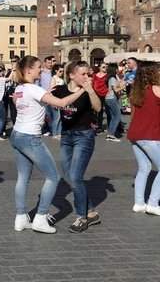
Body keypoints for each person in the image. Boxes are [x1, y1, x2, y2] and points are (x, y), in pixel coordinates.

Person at [10, 56, 85, 234]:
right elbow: (62, 103)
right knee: (52, 177)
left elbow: (30, 103)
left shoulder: (20, 88)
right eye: (38, 68)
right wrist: (83, 90)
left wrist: (46, 92)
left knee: (22, 178)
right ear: (28, 70)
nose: (42, 70)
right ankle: (40, 218)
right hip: (30, 138)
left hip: (17, 134)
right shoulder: (33, 88)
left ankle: (21, 217)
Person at [52, 61, 102, 233]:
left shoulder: (88, 91)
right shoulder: (60, 90)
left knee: (75, 176)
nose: (87, 77)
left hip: (84, 136)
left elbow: (98, 107)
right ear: (72, 75)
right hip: (66, 136)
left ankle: (82, 217)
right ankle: (92, 212)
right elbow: (47, 100)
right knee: (68, 177)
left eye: (88, 74)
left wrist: (91, 91)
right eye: (83, 74)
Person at [127, 61, 160, 216]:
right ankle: (153, 203)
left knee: (144, 169)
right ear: (153, 73)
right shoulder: (156, 89)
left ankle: (139, 203)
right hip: (149, 135)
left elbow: (133, 115)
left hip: (135, 134)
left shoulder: (136, 91)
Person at [105, 63, 127, 142]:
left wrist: (124, 81)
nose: (118, 70)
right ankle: (111, 134)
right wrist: (124, 87)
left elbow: (119, 83)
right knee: (117, 116)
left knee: (113, 117)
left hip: (109, 99)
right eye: (116, 68)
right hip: (111, 99)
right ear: (113, 69)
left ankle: (110, 134)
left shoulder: (112, 78)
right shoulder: (112, 79)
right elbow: (116, 90)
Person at [48, 64, 65, 140]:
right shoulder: (54, 78)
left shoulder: (62, 79)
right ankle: (55, 133)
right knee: (56, 118)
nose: (62, 73)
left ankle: (59, 133)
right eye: (60, 71)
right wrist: (53, 102)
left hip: (61, 100)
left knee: (61, 118)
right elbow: (51, 91)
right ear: (56, 71)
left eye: (63, 71)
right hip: (55, 100)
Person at [92, 62, 109, 134]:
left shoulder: (107, 75)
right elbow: (93, 84)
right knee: (99, 111)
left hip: (106, 93)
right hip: (97, 93)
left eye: (106, 67)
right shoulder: (95, 75)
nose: (105, 68)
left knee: (108, 111)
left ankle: (109, 125)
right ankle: (99, 126)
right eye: (103, 67)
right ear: (99, 68)